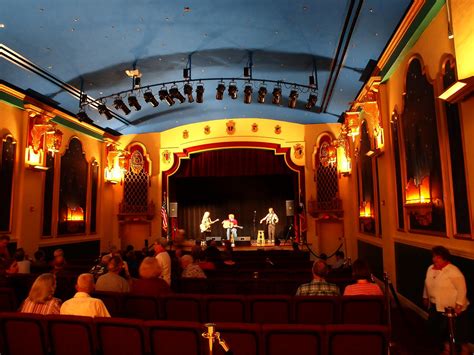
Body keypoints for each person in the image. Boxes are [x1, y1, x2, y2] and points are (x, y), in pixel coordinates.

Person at [423, 246, 470, 355]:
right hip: (436, 305)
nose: (435, 259)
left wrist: (459, 305)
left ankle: (465, 350)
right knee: (442, 329)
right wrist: (425, 296)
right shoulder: (430, 268)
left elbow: (462, 288)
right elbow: (427, 284)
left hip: (452, 307)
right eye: (434, 257)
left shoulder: (452, 270)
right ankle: (447, 349)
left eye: (438, 257)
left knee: (457, 331)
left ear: (444, 258)